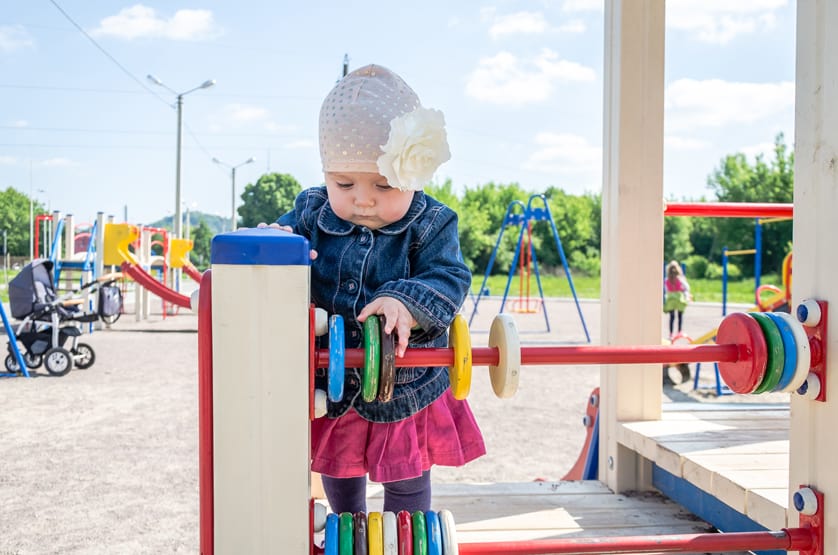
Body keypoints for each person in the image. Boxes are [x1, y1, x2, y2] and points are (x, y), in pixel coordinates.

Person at [271, 64, 486, 514]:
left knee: (406, 477)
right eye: (344, 184)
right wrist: (274, 245)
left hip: (403, 385)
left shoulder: (431, 222)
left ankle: (406, 532)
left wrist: (406, 301)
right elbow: (278, 253)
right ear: (326, 172)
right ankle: (345, 527)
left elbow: (449, 278)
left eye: (383, 185)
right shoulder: (311, 214)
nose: (363, 199)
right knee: (339, 469)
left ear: (415, 176)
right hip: (333, 384)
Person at [663, 260, 690, 338]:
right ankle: (679, 331)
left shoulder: (667, 280)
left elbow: (665, 289)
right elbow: (686, 287)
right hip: (679, 298)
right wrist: (686, 295)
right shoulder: (680, 278)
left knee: (672, 317)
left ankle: (671, 333)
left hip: (671, 298)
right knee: (680, 315)